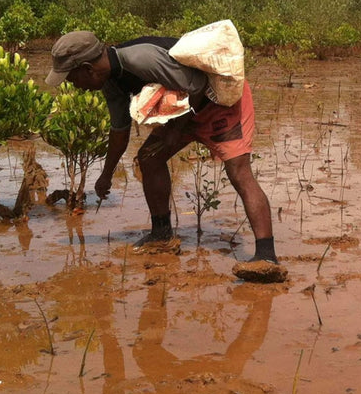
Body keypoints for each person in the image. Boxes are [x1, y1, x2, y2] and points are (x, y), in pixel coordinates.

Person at [45, 31, 281, 273]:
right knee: (149, 158)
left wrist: (174, 133)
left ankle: (267, 256)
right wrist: (106, 174)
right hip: (182, 111)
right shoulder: (111, 82)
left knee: (239, 173)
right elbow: (119, 130)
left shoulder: (140, 59)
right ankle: (161, 235)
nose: (76, 87)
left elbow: (198, 86)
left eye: (72, 80)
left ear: (87, 69)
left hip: (218, 103)